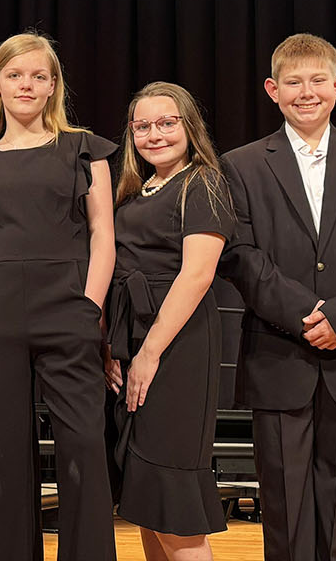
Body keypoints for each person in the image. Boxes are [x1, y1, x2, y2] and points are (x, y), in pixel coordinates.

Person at [217, 33, 336, 561]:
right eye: (294, 82)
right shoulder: (241, 164)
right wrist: (305, 314)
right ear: (272, 90)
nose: (307, 92)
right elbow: (239, 253)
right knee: (282, 497)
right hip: (279, 351)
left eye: (318, 81)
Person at [0, 31, 118, 561]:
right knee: (1, 454)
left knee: (84, 447)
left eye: (38, 76)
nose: (27, 84)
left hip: (68, 308)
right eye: (16, 75)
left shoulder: (83, 149)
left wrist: (90, 307)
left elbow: (102, 236)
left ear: (52, 87)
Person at [102, 82, 232, 561]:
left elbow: (197, 274)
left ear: (188, 126)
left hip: (176, 345)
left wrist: (148, 354)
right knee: (147, 496)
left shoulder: (202, 183)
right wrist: (114, 349)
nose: (154, 134)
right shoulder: (135, 191)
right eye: (143, 126)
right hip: (131, 337)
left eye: (167, 123)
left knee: (172, 498)